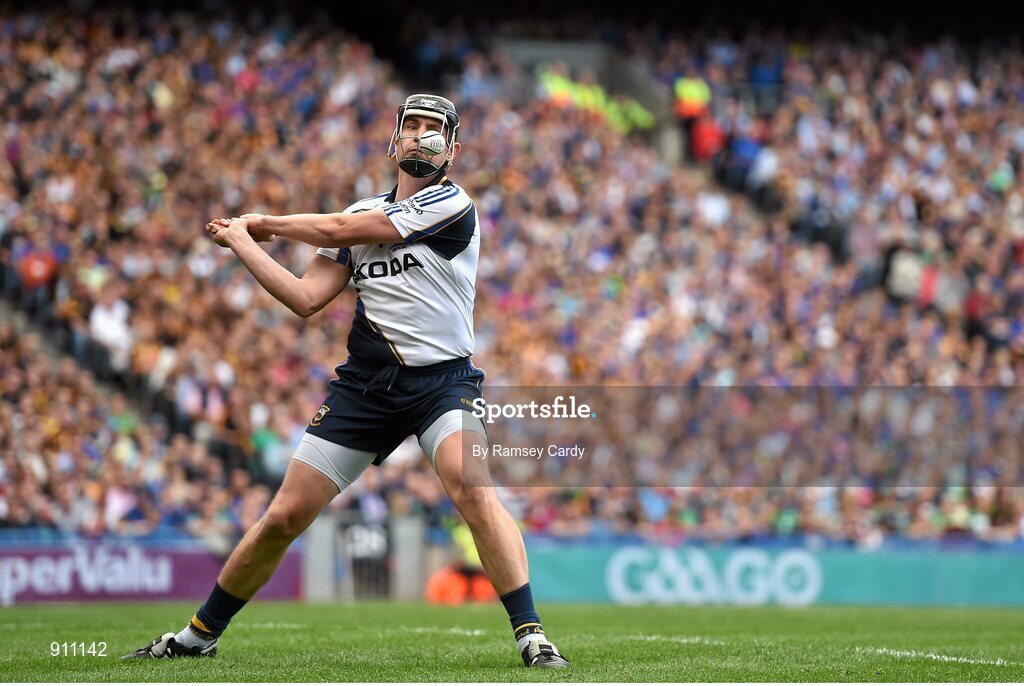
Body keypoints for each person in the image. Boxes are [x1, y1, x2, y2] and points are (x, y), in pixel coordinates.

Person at [123, 94, 569, 669]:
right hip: (364, 389)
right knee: (283, 518)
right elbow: (306, 299)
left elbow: (336, 227)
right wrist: (241, 244)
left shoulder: (452, 204)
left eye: (436, 129)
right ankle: (197, 635)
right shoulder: (361, 215)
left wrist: (262, 223)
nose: (422, 136)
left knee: (474, 489)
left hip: (442, 385)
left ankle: (532, 636)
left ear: (453, 150)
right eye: (413, 126)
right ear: (395, 140)